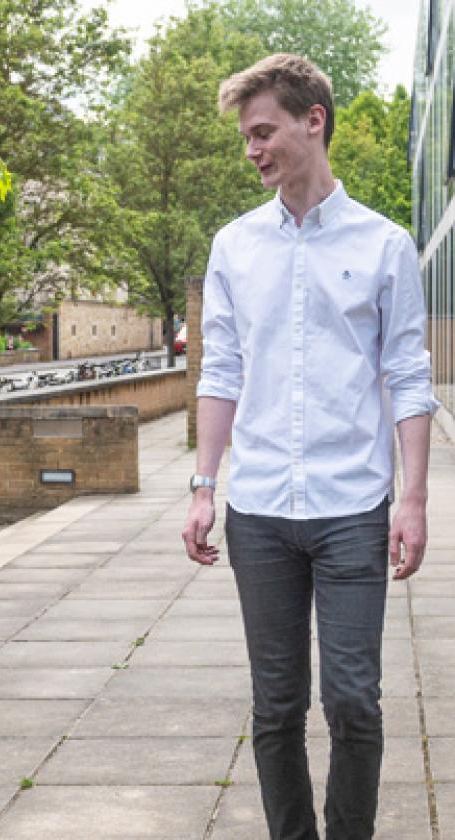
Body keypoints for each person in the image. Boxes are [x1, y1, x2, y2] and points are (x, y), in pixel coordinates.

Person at [181, 54, 436, 840]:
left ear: (312, 119)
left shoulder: (386, 244)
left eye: (263, 132)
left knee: (354, 698)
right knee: (276, 704)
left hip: (354, 504)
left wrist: (415, 499)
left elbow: (409, 373)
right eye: (246, 137)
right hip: (258, 509)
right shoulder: (235, 246)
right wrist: (201, 485)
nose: (252, 149)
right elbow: (220, 368)